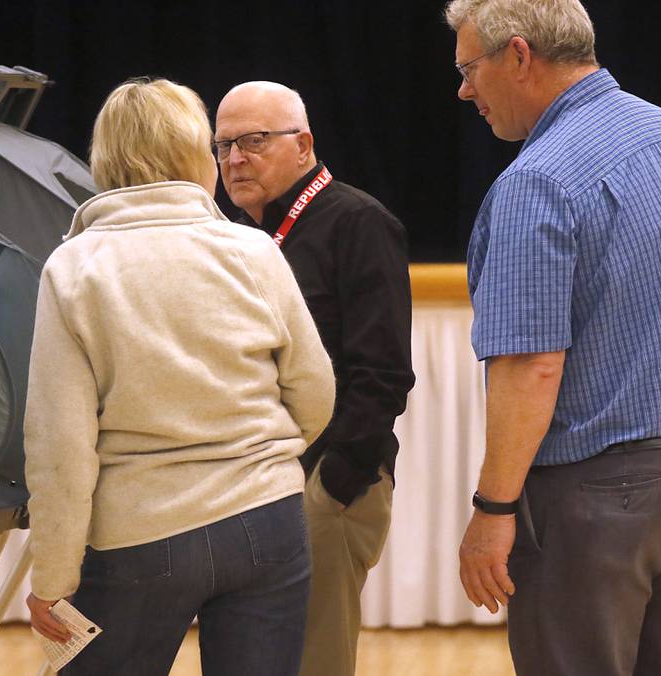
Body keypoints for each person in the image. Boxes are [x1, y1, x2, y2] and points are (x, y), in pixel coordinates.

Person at [445, 1, 661, 675]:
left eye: (470, 68)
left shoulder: (537, 180)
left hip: (600, 502)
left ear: (519, 55)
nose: (464, 89)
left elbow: (532, 367)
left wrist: (493, 508)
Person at [24, 77, 335, 676]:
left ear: (105, 160)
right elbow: (316, 394)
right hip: (268, 521)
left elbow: (60, 447)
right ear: (198, 153)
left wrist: (54, 578)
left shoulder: (74, 268)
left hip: (139, 536)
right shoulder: (253, 250)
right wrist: (263, 457)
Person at [215, 81, 415, 676]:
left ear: (303, 144)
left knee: (312, 663)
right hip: (242, 485)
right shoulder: (235, 237)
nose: (235, 159)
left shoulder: (358, 223)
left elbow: (382, 375)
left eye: (253, 140)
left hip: (322, 485)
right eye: (223, 144)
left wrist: (330, 487)